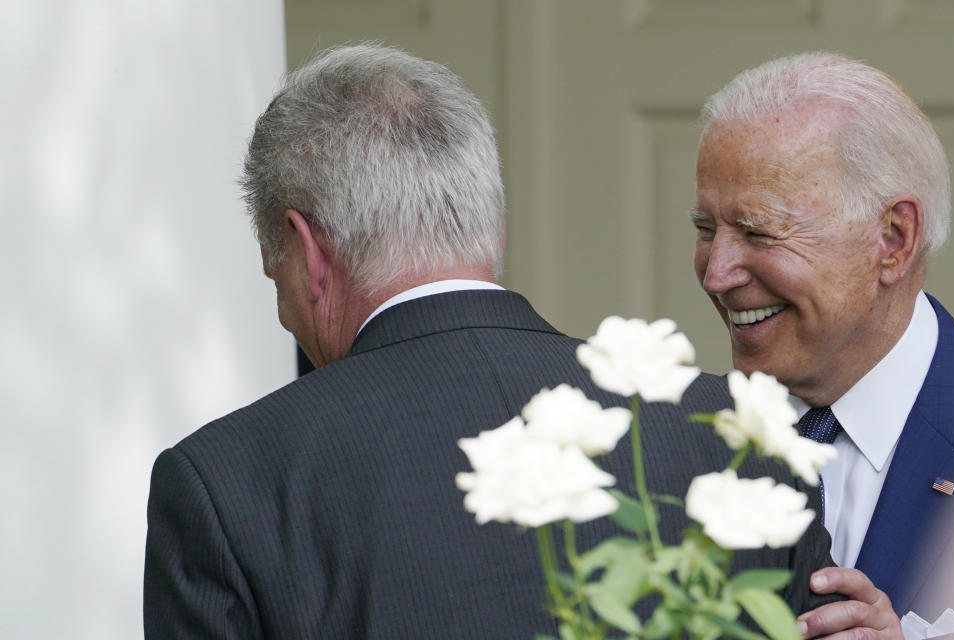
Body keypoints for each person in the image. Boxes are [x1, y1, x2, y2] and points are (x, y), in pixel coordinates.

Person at [144, 44, 862, 639]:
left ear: (306, 254)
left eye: (276, 278)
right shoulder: (737, 438)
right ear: (493, 226)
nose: (284, 311)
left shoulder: (227, 485)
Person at [693, 51, 954, 624]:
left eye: (758, 232)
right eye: (706, 229)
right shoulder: (667, 442)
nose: (716, 274)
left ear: (892, 239)